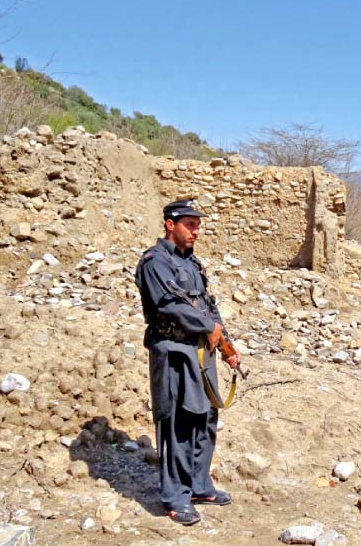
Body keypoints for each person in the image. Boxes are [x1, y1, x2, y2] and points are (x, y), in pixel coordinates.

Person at [135, 199, 240, 525]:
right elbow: (169, 306)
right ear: (170, 224)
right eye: (189, 224)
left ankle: (199, 485)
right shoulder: (155, 263)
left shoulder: (192, 265)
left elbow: (208, 307)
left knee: (205, 420)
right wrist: (209, 328)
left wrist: (226, 347)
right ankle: (175, 497)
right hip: (174, 353)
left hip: (201, 354)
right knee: (178, 425)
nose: (196, 230)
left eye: (198, 224)